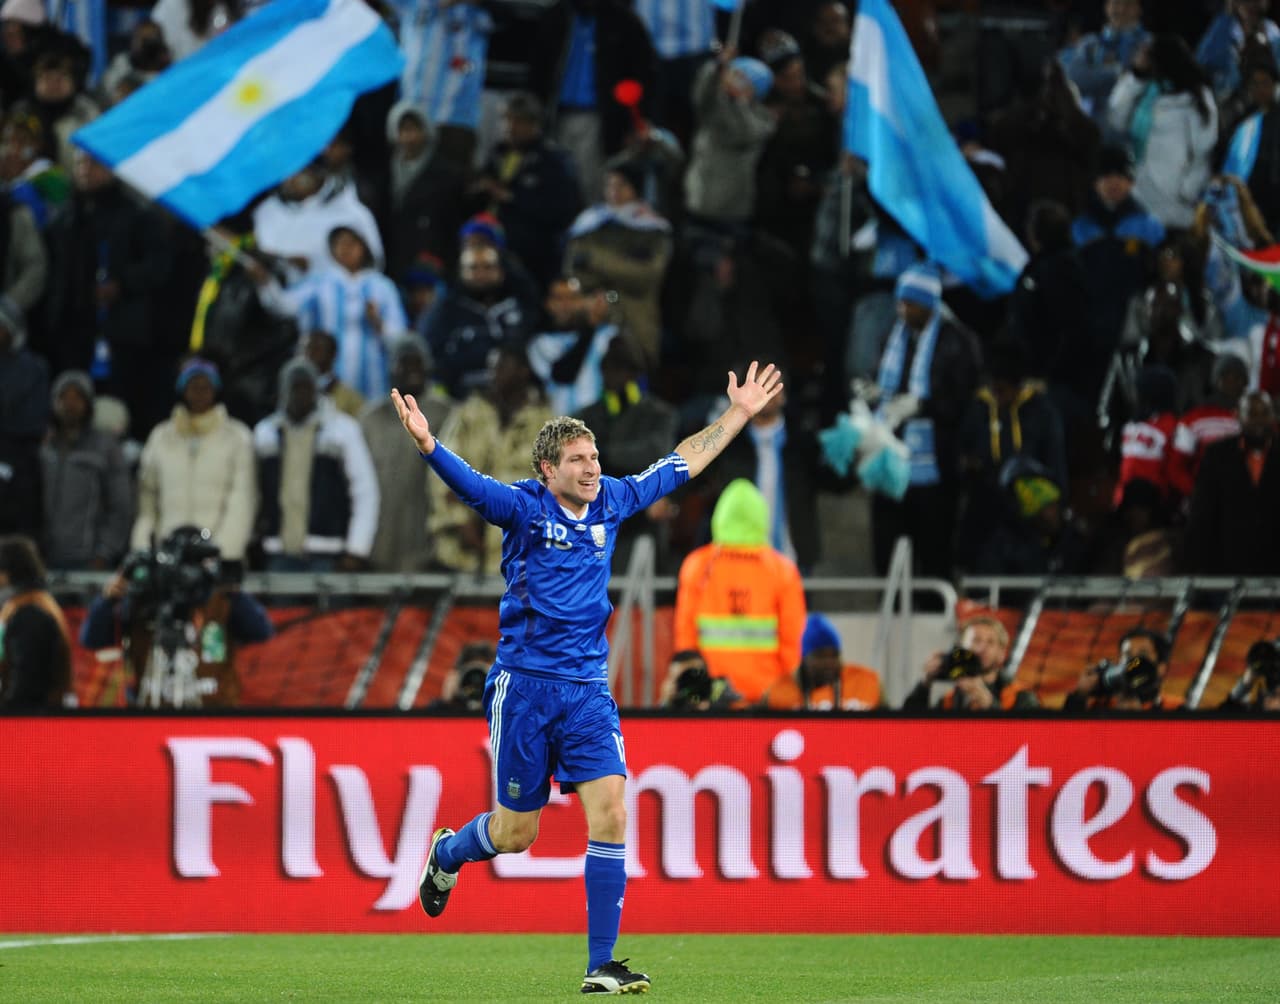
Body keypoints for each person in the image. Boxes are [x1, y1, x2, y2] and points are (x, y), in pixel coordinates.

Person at [392, 359, 783, 995]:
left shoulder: (613, 502)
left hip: (587, 693)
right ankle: (447, 854)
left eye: (594, 454)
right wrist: (430, 445)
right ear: (548, 469)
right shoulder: (521, 507)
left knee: (613, 812)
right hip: (523, 689)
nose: (592, 466)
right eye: (577, 459)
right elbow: (472, 486)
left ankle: (601, 964)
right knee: (516, 834)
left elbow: (680, 462)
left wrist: (738, 413)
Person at [79, 526, 274, 707]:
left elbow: (262, 631)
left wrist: (233, 591)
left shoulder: (222, 599)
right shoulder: (144, 599)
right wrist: (108, 600)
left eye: (195, 565)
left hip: (215, 716)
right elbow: (92, 639)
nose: (186, 575)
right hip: (150, 714)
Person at [673, 477, 807, 703]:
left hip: (712, 698)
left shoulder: (697, 565)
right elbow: (792, 643)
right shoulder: (782, 569)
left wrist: (696, 694)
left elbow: (685, 638)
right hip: (767, 698)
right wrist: (787, 695)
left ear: (720, 517)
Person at [253, 359, 380, 573]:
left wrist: (357, 549)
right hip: (278, 552)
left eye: (307, 386)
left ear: (317, 390)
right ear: (283, 390)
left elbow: (365, 491)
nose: (301, 393)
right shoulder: (265, 434)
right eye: (295, 386)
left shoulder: (342, 430)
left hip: (328, 552)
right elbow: (253, 494)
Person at [132, 357, 256, 564]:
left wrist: (223, 553)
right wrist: (144, 548)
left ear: (215, 390)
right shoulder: (161, 436)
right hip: (168, 555)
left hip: (215, 556)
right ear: (183, 390)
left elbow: (242, 499)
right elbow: (147, 498)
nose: (199, 393)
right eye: (193, 386)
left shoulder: (237, 437)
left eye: (205, 387)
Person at [359, 335, 452, 572]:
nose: (411, 369)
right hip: (378, 537)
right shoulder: (370, 419)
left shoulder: (448, 414)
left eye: (417, 362)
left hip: (427, 538)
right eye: (403, 363)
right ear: (391, 369)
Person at [39, 369, 132, 570]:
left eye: (77, 397)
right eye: (64, 397)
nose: (70, 404)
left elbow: (121, 507)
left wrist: (105, 551)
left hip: (88, 560)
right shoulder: (44, 447)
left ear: (88, 403)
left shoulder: (106, 448)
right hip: (45, 557)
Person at [1185, 388, 1280, 573]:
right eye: (1252, 414)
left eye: (1264, 413)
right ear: (1237, 416)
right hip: (1226, 568)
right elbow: (1202, 513)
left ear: (1273, 416)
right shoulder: (1217, 455)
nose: (1259, 420)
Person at [902, 615, 1037, 710]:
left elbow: (1029, 741)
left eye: (990, 642)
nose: (982, 648)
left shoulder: (1020, 696)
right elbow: (910, 731)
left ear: (1002, 654)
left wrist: (989, 704)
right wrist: (925, 683)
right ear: (961, 648)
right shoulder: (950, 700)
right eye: (975, 640)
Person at [0, 533, 71, 709]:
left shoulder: (30, 613)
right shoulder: (36, 602)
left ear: (7, 572)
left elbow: (26, 683)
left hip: (32, 724)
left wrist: (9, 714)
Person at [763, 612, 881, 711]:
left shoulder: (864, 682)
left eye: (834, 656)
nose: (828, 663)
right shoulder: (779, 692)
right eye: (820, 656)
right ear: (804, 658)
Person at [1065, 625, 1180, 711]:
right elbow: (1065, 737)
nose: (1134, 661)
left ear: (1161, 668)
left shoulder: (1175, 709)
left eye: (1143, 655)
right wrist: (1080, 695)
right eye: (1128, 655)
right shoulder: (1099, 705)